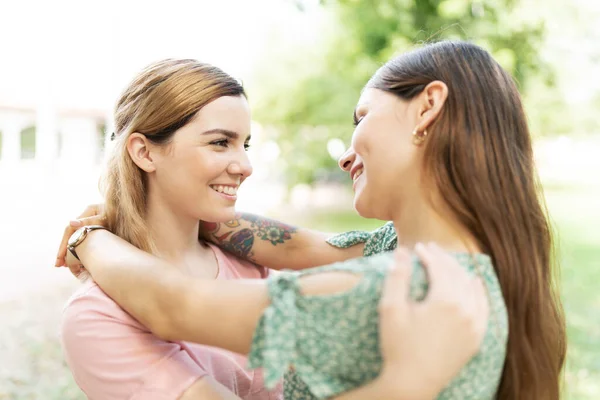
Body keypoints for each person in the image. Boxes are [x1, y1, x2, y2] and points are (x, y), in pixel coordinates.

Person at [59, 40, 566, 399]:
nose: (346, 153)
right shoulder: (466, 261)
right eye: (221, 141)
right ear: (144, 152)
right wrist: (155, 209)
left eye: (362, 117)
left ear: (427, 107)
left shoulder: (381, 292)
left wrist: (87, 238)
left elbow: (175, 307)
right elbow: (302, 247)